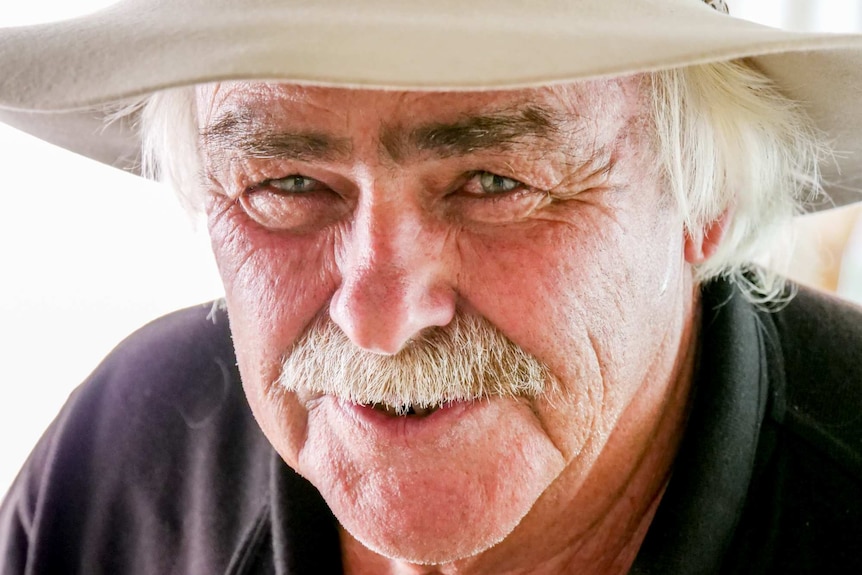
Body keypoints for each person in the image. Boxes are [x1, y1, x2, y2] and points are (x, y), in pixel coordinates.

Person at [1, 0, 861, 573]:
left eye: (494, 181)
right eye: (288, 183)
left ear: (704, 201)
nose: (378, 320)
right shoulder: (122, 464)